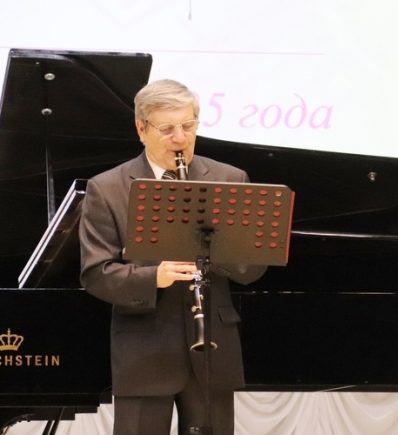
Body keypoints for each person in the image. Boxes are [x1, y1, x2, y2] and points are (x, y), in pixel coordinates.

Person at [79, 79, 266, 435]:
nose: (180, 138)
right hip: (143, 348)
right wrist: (155, 277)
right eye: (167, 129)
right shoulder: (107, 188)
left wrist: (213, 252)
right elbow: (96, 273)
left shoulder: (230, 178)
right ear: (141, 129)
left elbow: (252, 267)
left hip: (212, 347)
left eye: (188, 126)